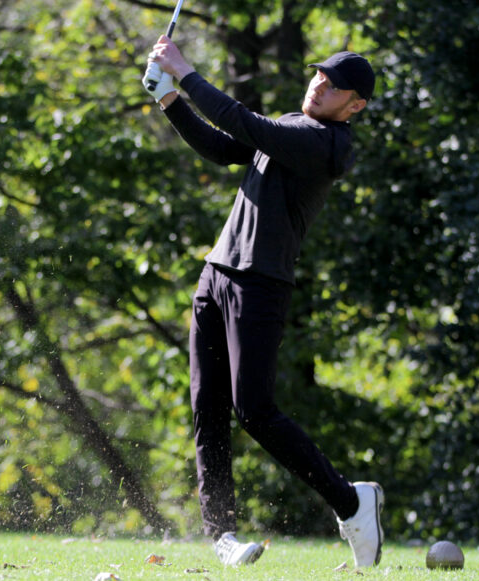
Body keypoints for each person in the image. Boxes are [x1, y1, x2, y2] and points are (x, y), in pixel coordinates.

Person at [142, 35, 384, 569]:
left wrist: (183, 71)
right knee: (209, 409)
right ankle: (221, 535)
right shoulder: (291, 126)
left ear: (355, 105)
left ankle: (351, 501)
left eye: (336, 85)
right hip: (217, 275)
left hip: (261, 284)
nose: (320, 84)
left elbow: (244, 125)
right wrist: (170, 102)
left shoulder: (328, 145)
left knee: (255, 410)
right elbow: (221, 145)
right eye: (321, 75)